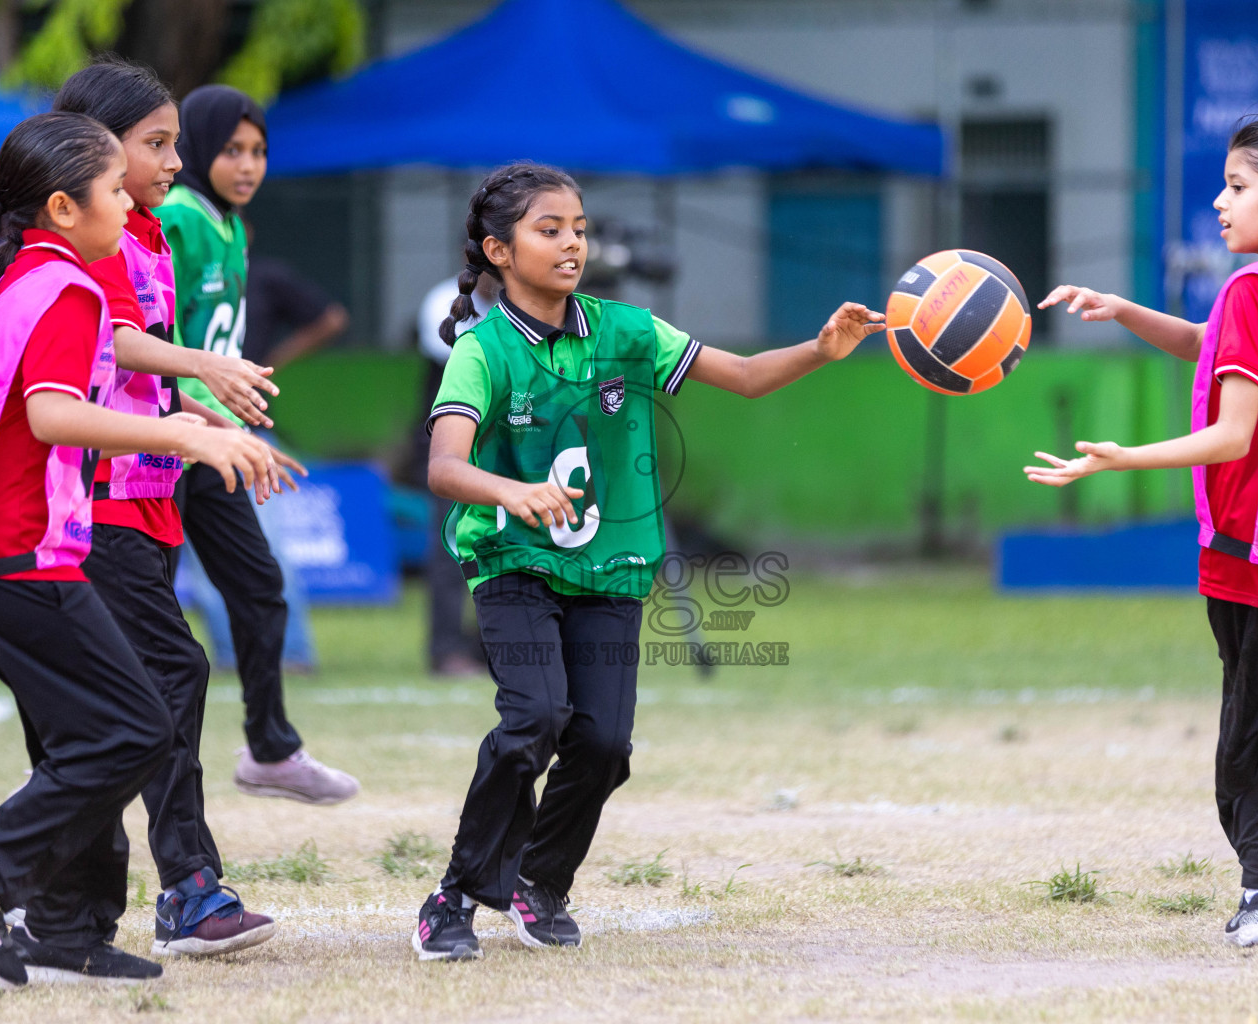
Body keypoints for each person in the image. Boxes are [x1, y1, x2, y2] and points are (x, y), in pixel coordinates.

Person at [414, 163, 883, 961]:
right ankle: (453, 895)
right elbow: (445, 468)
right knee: (533, 722)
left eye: (579, 228)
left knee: (602, 744)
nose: (571, 244)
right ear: (498, 250)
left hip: (611, 569)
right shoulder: (482, 351)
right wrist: (516, 491)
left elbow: (739, 376)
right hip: (514, 562)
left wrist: (822, 348)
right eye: (548, 229)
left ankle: (540, 882)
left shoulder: (628, 331)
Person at [0, 112, 278, 988]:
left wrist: (186, 426)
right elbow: (51, 417)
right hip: (6, 551)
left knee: (113, 729)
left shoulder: (22, 276)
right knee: (136, 725)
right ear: (66, 207)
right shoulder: (67, 289)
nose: (137, 197)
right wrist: (181, 434)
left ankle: (66, 928)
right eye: (116, 187)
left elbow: (46, 424)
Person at [1029, 117, 1258, 948]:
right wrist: (1126, 311)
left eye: (1238, 187)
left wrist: (1122, 459)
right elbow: (1216, 349)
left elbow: (1232, 434)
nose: (1220, 203)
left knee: (1245, 730)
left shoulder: (1253, 288)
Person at [50, 58, 292, 958]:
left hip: (152, 505)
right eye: (158, 144)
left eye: (172, 144)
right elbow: (111, 347)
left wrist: (215, 425)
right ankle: (183, 887)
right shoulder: (92, 241)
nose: (175, 161)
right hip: (96, 504)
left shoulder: (149, 233)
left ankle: (65, 902)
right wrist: (202, 371)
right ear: (94, 149)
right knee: (166, 680)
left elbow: (135, 378)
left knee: (119, 709)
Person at [157, 85, 358, 804]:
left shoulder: (233, 227)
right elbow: (154, 335)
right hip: (159, 437)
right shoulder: (174, 216)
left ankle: (270, 749)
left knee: (261, 589)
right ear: (199, 149)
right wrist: (215, 418)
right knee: (143, 621)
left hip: (213, 441)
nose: (248, 165)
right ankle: (72, 755)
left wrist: (233, 424)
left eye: (259, 151)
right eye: (233, 149)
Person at [188, 233, 350, 674]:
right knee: (205, 563)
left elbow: (330, 318)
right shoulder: (173, 276)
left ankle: (291, 654)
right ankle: (231, 656)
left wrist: (274, 359)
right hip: (178, 431)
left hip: (247, 428)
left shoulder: (262, 277)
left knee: (264, 549)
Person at [411, 273, 499, 677]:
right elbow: (468, 370)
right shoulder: (443, 301)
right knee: (451, 546)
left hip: (509, 439)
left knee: (507, 549)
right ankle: (446, 650)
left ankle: (491, 646)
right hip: (455, 444)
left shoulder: (533, 301)